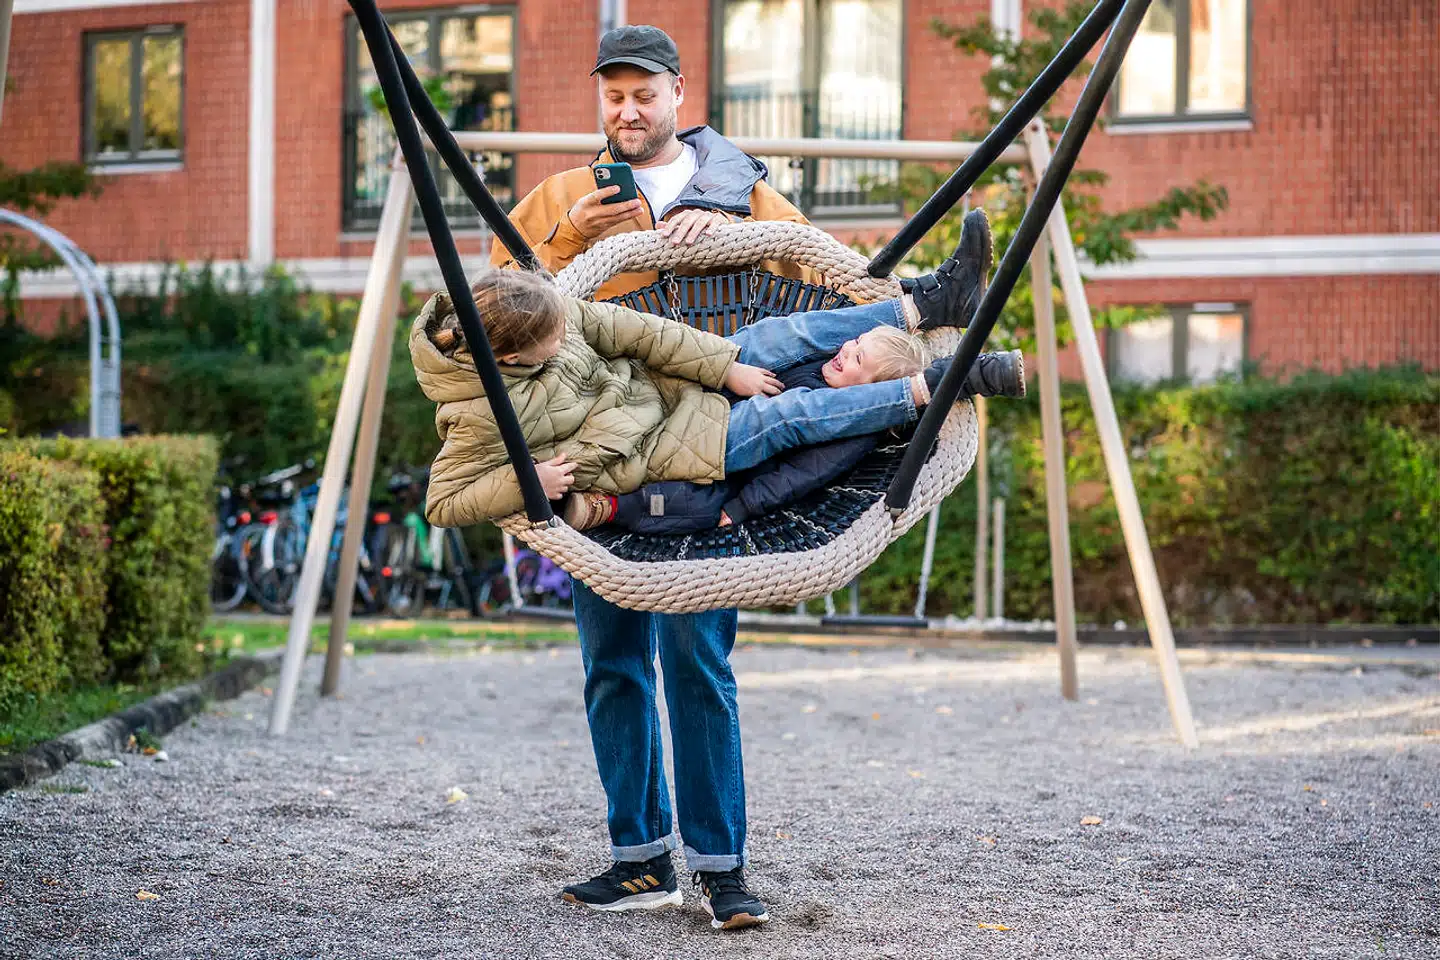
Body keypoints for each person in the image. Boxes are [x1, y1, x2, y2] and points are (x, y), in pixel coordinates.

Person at [472, 23, 995, 931]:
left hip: (707, 430)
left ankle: (721, 867)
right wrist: (565, 238)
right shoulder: (561, 194)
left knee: (695, 657)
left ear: (680, 94)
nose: (628, 111)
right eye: (613, 96)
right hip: (606, 435)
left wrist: (740, 234)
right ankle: (640, 857)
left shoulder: (747, 189)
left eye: (644, 93)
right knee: (611, 661)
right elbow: (497, 314)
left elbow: (823, 286)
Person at [558, 324, 1022, 534]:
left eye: (858, 359)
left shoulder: (849, 432)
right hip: (700, 410)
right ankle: (926, 306)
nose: (845, 352)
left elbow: (800, 476)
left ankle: (610, 508)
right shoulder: (820, 363)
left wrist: (742, 507)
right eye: (855, 342)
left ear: (872, 391)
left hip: (730, 471)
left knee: (691, 506)